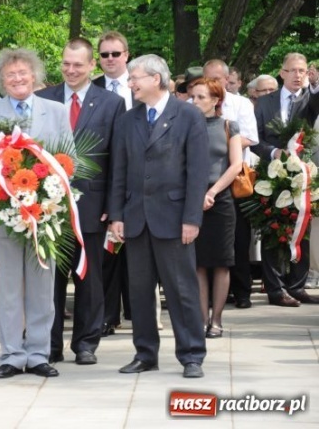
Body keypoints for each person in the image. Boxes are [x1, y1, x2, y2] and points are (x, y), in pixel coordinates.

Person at [0, 48, 73, 380]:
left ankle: (39, 353)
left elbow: (68, 157)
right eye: (10, 74)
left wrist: (45, 177)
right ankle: (12, 354)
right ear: (1, 80)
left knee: (43, 285)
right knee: (10, 285)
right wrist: (6, 167)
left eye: (23, 73)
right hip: (5, 212)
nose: (17, 79)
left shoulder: (56, 111)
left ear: (35, 76)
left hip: (44, 213)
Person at [108, 54, 209, 379]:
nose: (131, 83)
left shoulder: (189, 115)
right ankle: (145, 353)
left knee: (182, 290)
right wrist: (117, 216)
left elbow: (197, 172)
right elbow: (118, 172)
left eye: (135, 77)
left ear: (156, 78)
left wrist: (192, 218)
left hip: (175, 218)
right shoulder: (127, 119)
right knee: (139, 291)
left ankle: (192, 354)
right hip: (136, 219)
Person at [37, 38, 125, 366]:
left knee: (89, 277)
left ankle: (86, 343)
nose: (71, 70)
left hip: (92, 204)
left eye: (78, 64)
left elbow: (118, 158)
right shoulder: (42, 98)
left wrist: (114, 207)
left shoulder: (111, 103)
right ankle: (50, 344)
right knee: (51, 278)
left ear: (92, 65)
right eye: (66, 64)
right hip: (49, 206)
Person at [251, 53, 319, 306]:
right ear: (282, 73)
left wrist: (315, 86)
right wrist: (273, 152)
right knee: (274, 230)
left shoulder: (309, 100)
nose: (298, 75)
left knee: (302, 228)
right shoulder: (266, 102)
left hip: (302, 173)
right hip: (271, 172)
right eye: (293, 70)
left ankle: (298, 286)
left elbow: (317, 104)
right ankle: (276, 289)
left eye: (302, 70)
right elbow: (255, 137)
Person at [187, 78, 242, 339]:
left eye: (200, 97)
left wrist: (211, 192)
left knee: (221, 262)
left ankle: (216, 320)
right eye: (193, 97)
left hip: (220, 200)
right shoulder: (185, 126)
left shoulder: (229, 126)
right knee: (197, 264)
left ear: (216, 100)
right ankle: (199, 320)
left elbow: (235, 165)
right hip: (191, 199)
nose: (194, 102)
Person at [202, 60, 258, 310]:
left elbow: (250, 137)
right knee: (205, 246)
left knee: (237, 239)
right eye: (207, 78)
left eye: (217, 78)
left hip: (234, 181)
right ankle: (211, 297)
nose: (212, 82)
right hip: (205, 182)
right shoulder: (196, 106)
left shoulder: (241, 104)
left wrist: (225, 139)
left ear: (227, 79)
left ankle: (242, 290)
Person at [92, 31, 134, 337]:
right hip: (106, 180)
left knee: (139, 254)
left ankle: (139, 312)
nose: (110, 59)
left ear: (126, 55)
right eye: (104, 55)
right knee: (107, 254)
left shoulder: (143, 83)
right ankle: (106, 316)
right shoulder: (91, 89)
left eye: (115, 54)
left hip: (140, 179)